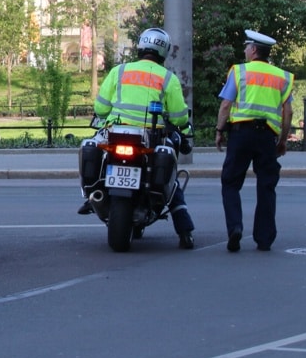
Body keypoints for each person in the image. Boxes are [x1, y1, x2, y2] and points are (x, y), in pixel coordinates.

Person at [77, 27, 196, 249]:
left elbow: (101, 108)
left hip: (116, 131)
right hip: (150, 137)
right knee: (172, 179)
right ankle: (185, 230)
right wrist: (186, 133)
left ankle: (92, 195)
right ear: (164, 52)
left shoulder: (119, 71)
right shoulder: (168, 78)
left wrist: (105, 116)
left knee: (97, 149)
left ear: (140, 46)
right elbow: (180, 116)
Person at [215, 30, 294, 253]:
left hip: (240, 134)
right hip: (267, 136)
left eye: (247, 47)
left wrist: (220, 130)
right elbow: (288, 112)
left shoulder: (240, 72)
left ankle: (235, 228)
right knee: (267, 185)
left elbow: (225, 105)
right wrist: (283, 140)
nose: (245, 51)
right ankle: (264, 238)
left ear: (254, 50)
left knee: (230, 182)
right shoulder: (282, 77)